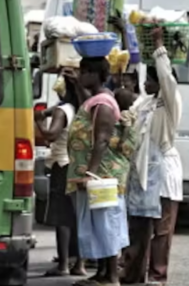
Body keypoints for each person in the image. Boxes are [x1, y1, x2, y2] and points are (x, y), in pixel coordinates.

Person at [121, 27, 183, 285]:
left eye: (152, 77)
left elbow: (169, 79)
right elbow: (128, 112)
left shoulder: (170, 103)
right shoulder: (144, 103)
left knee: (161, 231)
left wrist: (159, 46)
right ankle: (132, 276)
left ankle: (157, 278)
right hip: (141, 174)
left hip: (163, 176)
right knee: (138, 228)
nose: (145, 82)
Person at [65, 57, 133, 286]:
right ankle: (103, 273)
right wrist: (76, 85)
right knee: (97, 223)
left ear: (95, 74)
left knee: (106, 223)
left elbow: (102, 139)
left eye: (84, 72)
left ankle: (112, 277)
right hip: (95, 174)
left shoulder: (104, 103)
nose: (82, 75)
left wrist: (90, 174)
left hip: (101, 175)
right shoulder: (97, 100)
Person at [35, 75, 86, 278]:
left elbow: (51, 135)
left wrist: (39, 123)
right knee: (77, 216)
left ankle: (63, 264)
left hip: (61, 166)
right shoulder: (77, 108)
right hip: (75, 164)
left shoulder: (61, 110)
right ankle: (80, 263)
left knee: (62, 218)